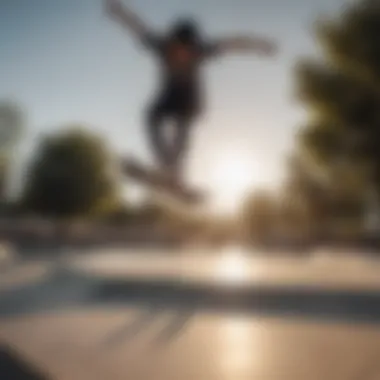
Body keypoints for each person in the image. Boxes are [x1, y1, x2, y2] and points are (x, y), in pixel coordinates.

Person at [105, 0, 278, 182]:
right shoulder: (162, 46)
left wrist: (261, 45)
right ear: (172, 42)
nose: (182, 55)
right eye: (178, 49)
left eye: (187, 51)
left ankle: (175, 170)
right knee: (150, 116)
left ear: (193, 46)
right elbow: (139, 27)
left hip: (190, 100)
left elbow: (233, 43)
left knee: (183, 124)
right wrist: (119, 12)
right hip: (168, 96)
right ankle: (166, 165)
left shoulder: (201, 50)